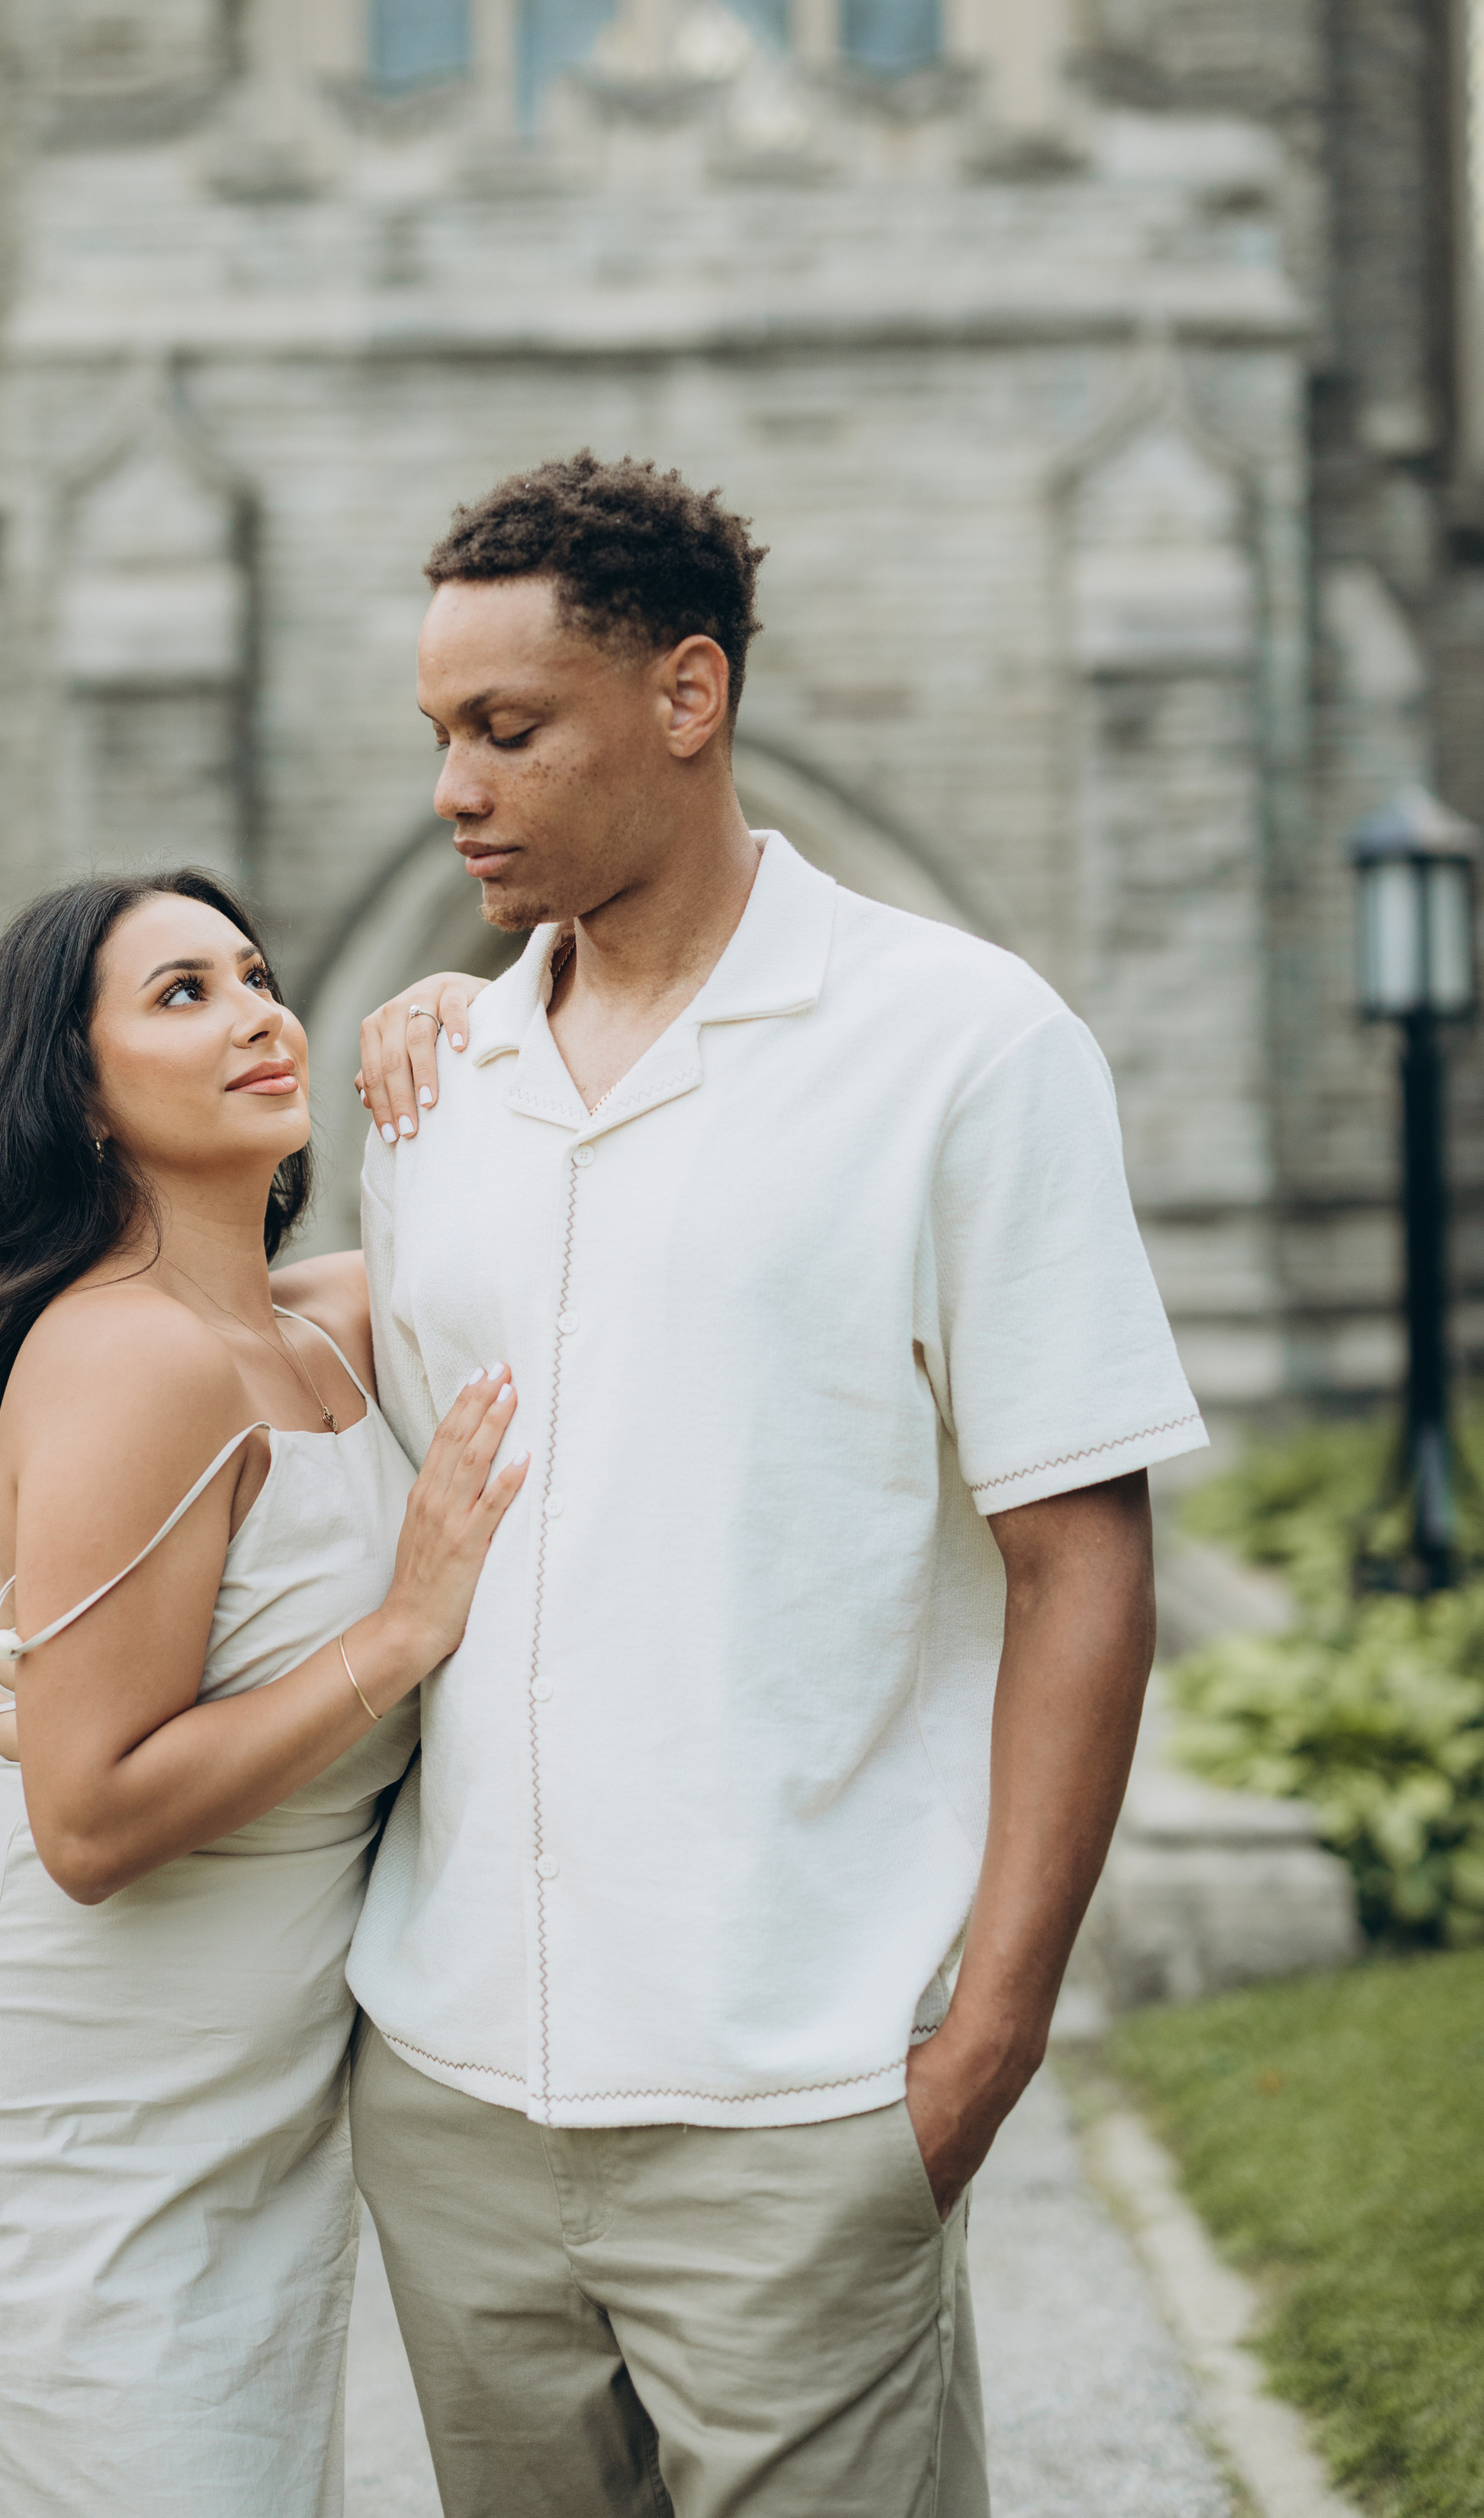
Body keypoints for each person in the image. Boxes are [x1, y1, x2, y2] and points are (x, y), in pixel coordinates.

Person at [348, 451, 1209, 2518]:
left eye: (507, 728)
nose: (455, 787)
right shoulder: (433, 1084)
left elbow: (1078, 1562)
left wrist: (980, 2052)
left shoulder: (967, 1047)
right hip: (456, 2095)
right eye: (439, 736)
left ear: (688, 697)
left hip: (800, 2104)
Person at [0, 867, 526, 2518]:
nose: (253, 1013)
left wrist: (480, 1024)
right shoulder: (124, 1357)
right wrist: (400, 1628)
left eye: (255, 974)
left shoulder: (304, 1330)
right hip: (71, 2120)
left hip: (242, 2120)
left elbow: (519, 1249)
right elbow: (86, 1819)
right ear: (77, 1098)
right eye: (179, 995)